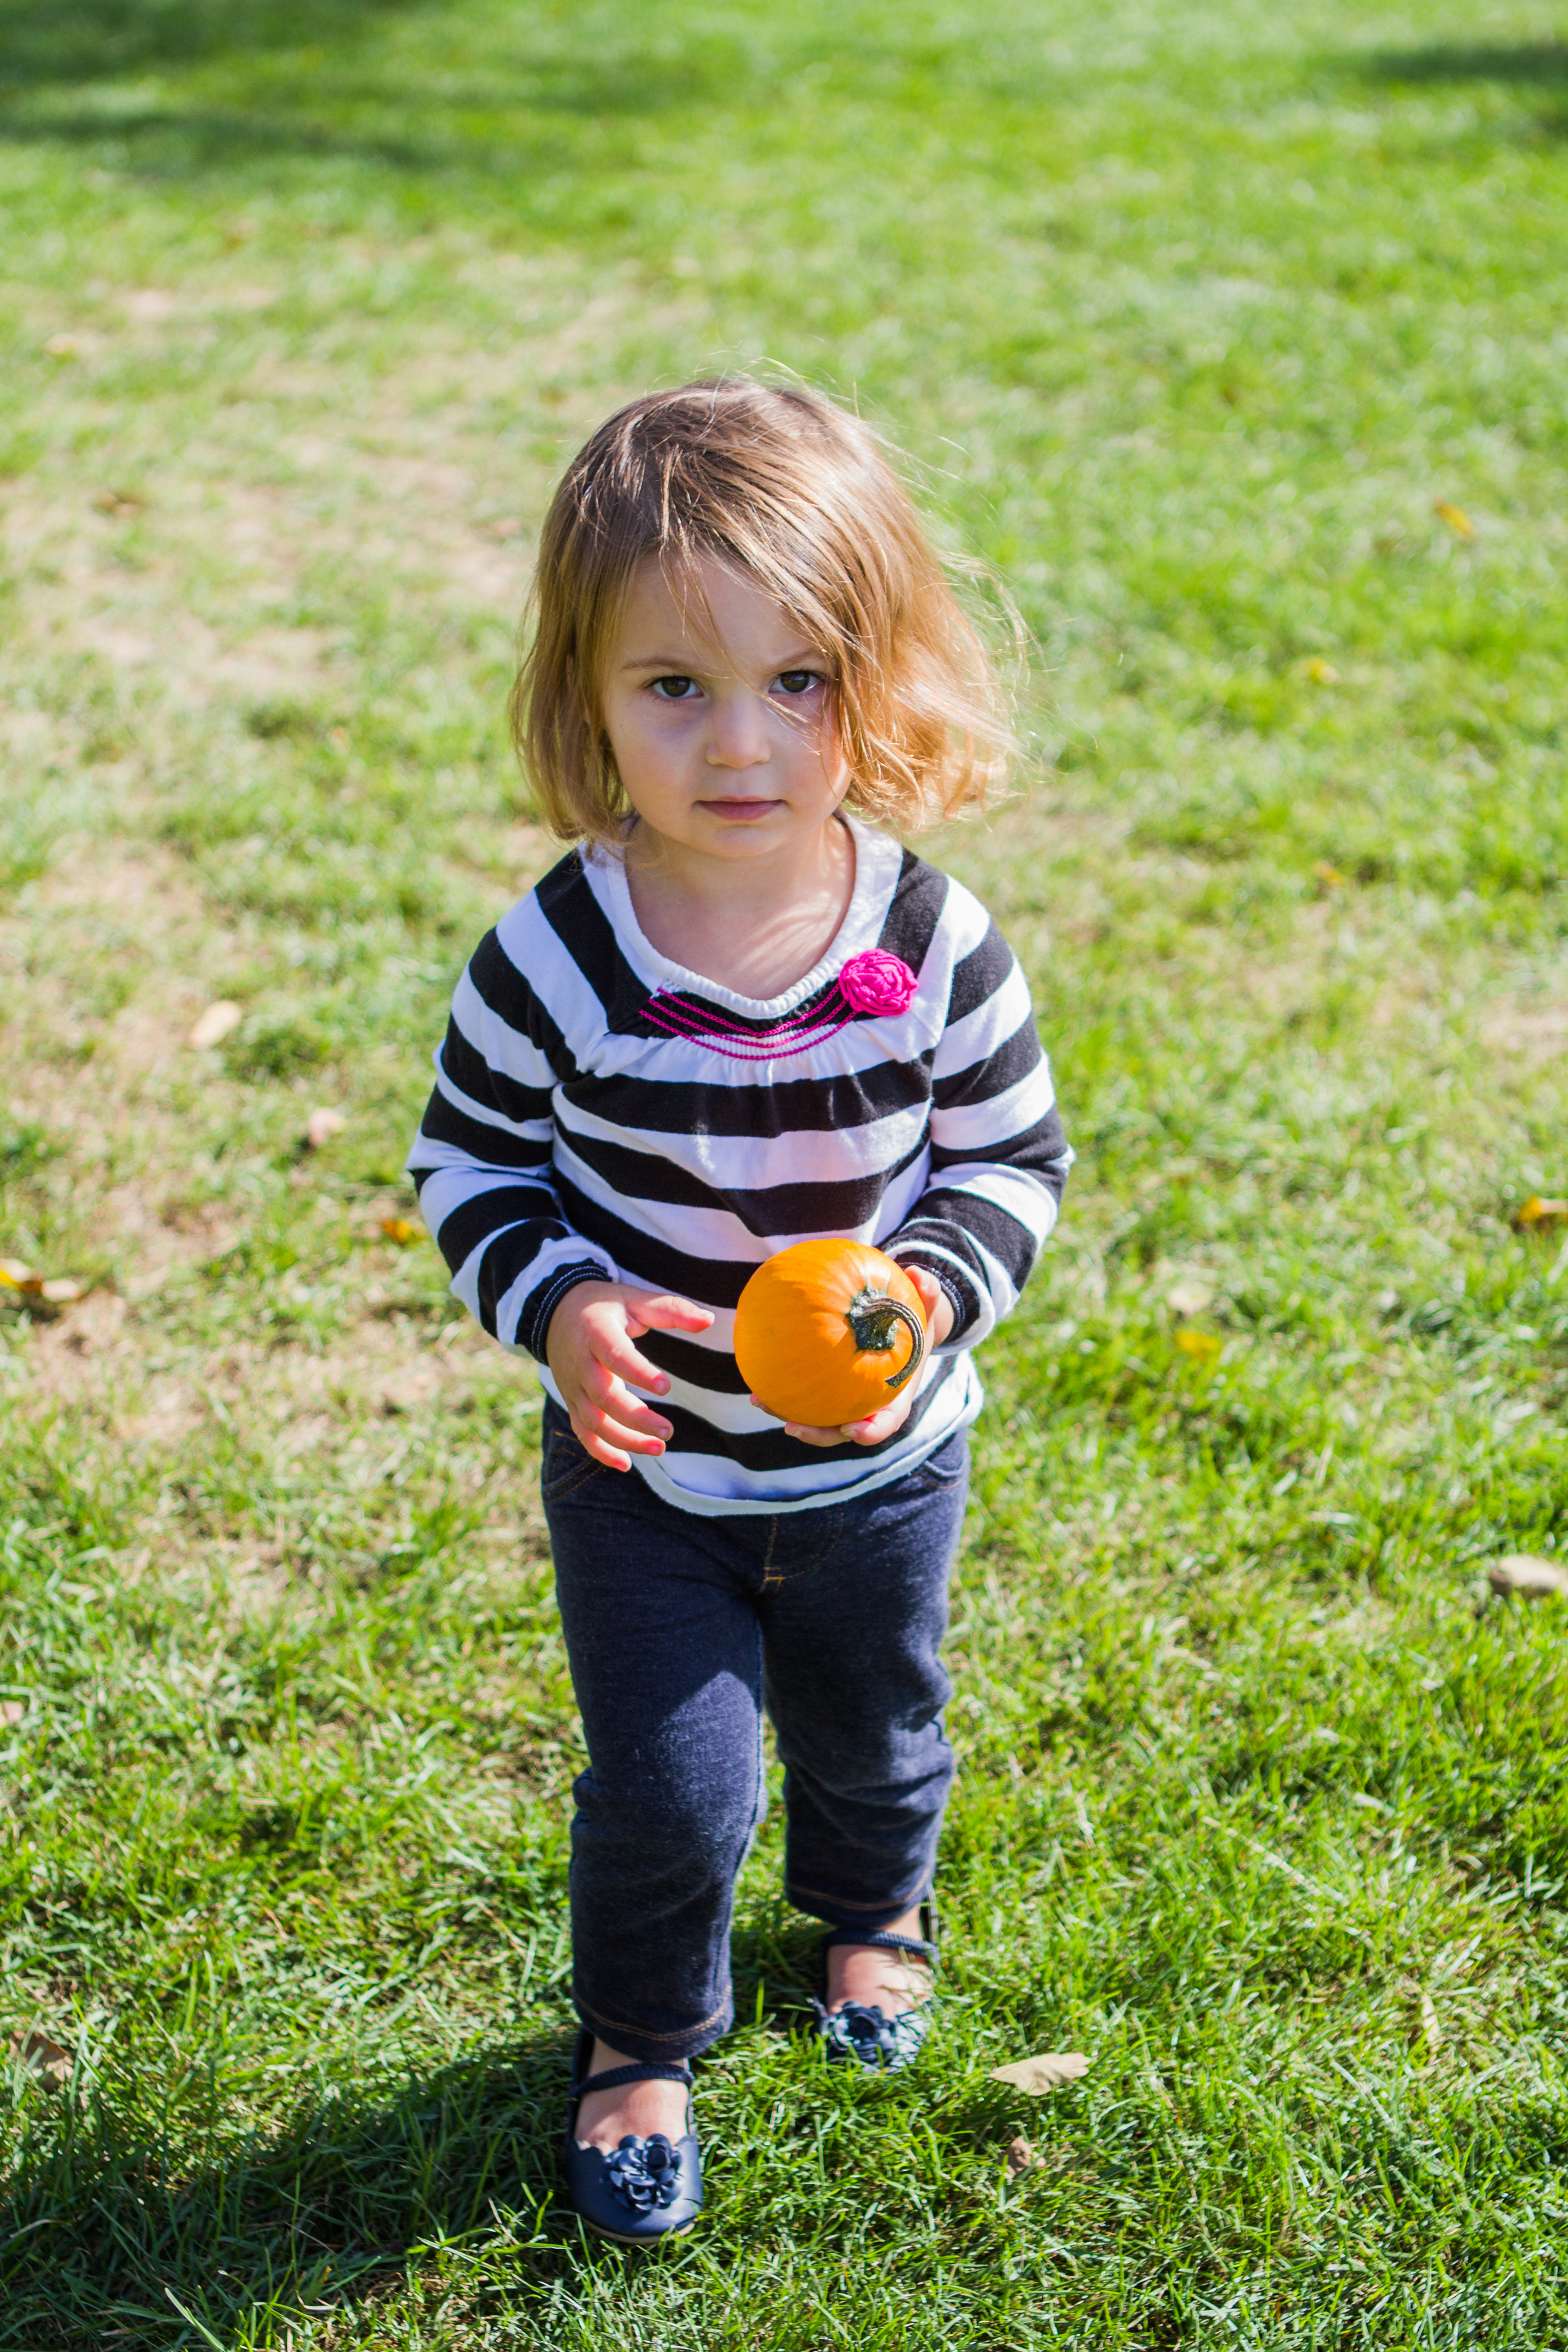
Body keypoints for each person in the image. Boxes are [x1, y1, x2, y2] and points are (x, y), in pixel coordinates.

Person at [407, 379, 1071, 2243]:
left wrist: (926, 1305)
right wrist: (556, 1314)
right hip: (653, 1483)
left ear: (880, 679)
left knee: (876, 1732)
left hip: (879, 1466)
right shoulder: (560, 948)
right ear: (585, 697)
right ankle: (636, 2040)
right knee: (672, 1795)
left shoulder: (930, 942)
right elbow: (467, 1165)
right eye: (673, 686)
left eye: (799, 680)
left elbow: (1012, 1167)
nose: (740, 741)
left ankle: (872, 1917)